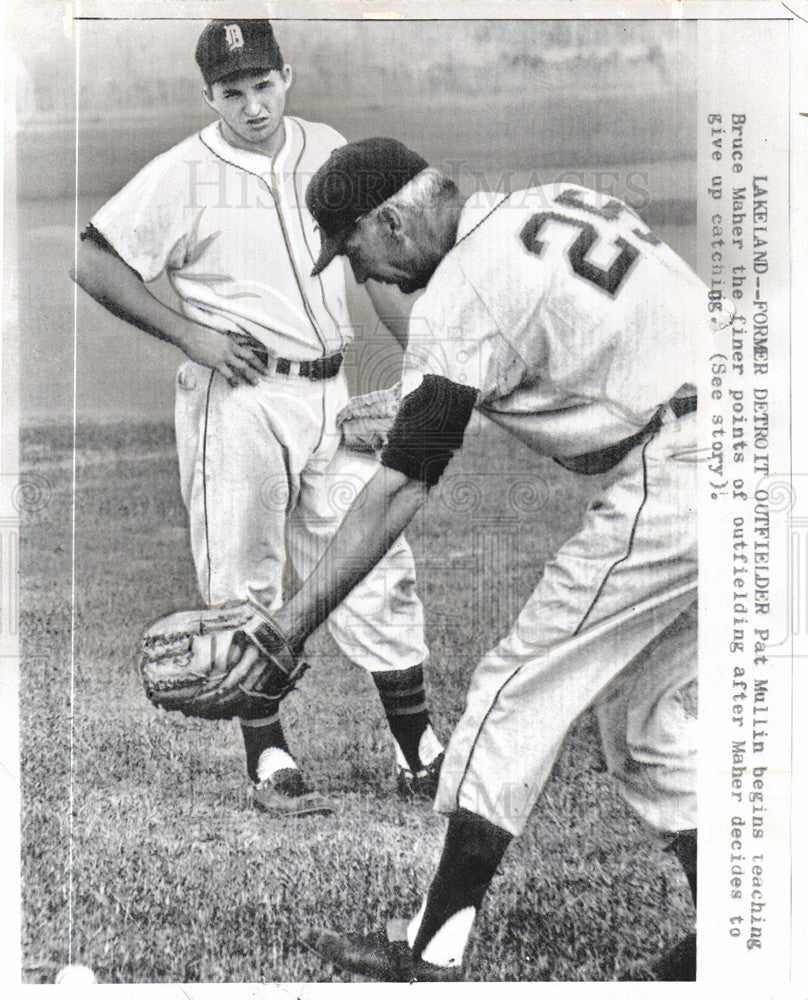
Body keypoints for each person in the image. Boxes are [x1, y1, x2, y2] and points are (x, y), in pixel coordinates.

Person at [252, 137, 723, 978]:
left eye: (355, 251)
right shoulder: (552, 194)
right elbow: (580, 368)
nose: (367, 275)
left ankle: (431, 948)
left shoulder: (459, 290)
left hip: (689, 473)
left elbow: (403, 488)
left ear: (390, 221)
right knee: (643, 719)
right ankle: (732, 938)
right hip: (768, 436)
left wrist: (291, 624)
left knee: (515, 686)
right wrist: (420, 410)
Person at [71, 23, 444, 818]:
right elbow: (93, 259)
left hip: (332, 395)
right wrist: (190, 333)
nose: (251, 105)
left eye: (262, 85)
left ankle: (419, 752)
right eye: (231, 91)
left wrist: (422, 371)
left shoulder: (327, 148)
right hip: (237, 398)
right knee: (245, 578)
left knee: (378, 559)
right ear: (209, 96)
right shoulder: (181, 173)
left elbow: (371, 262)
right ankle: (268, 754)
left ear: (287, 77)